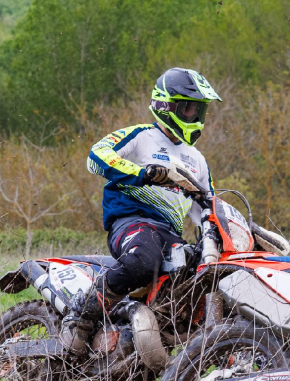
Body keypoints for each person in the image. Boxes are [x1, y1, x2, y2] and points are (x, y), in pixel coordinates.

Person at [59, 67, 221, 356]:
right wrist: (142, 173)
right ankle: (81, 316)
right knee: (144, 260)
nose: (195, 116)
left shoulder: (197, 159)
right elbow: (96, 156)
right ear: (166, 106)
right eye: (188, 108)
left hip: (169, 234)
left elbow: (209, 206)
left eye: (200, 110)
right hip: (131, 221)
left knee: (200, 275)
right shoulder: (142, 136)